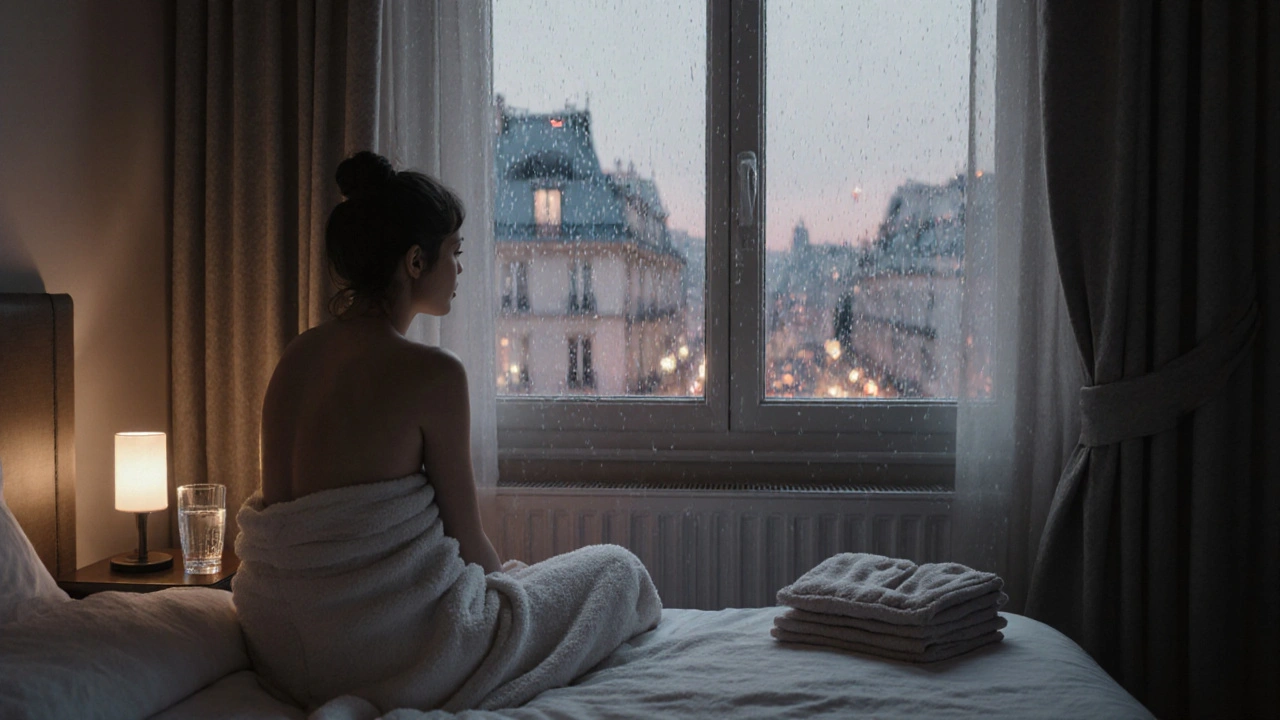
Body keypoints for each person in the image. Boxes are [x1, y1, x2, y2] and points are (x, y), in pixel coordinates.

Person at [257, 149, 500, 573]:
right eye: (455, 252)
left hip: (277, 614)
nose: (459, 270)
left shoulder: (296, 354)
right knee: (618, 570)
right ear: (416, 261)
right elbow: (468, 543)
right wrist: (512, 604)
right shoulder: (436, 374)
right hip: (370, 624)